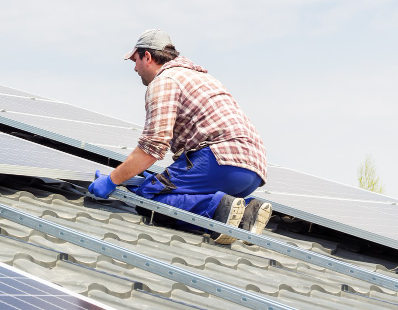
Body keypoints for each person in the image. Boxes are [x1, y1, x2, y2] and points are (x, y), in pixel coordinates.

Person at [87, 29, 271, 243]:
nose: (135, 68)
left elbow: (153, 146)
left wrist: (112, 180)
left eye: (135, 60)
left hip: (219, 161)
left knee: (147, 196)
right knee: (162, 187)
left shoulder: (165, 81)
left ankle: (218, 209)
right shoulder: (201, 77)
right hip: (252, 170)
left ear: (148, 57)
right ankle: (247, 209)